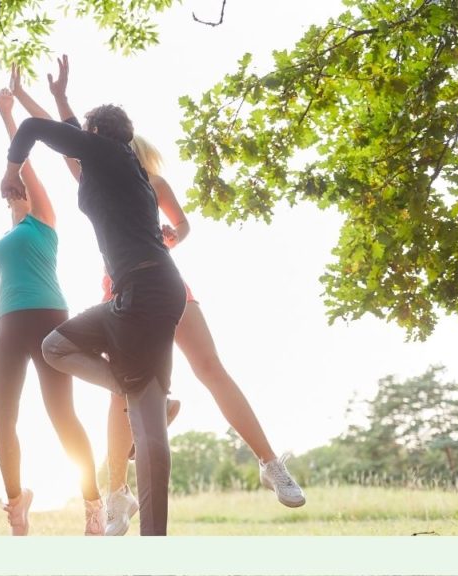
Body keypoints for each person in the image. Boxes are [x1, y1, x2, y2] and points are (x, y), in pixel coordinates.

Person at [1, 55, 186, 536]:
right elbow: (68, 139)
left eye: (86, 129)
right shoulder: (114, 165)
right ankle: (137, 392)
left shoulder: (107, 156)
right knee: (65, 354)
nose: (81, 136)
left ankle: (137, 393)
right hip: (147, 289)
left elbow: (35, 130)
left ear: (97, 134)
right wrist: (63, 96)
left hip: (144, 289)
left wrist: (11, 171)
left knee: (139, 424)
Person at [102, 135, 306, 536]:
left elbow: (183, 224)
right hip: (121, 290)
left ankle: (270, 463)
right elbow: (64, 140)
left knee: (211, 367)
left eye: (126, 149)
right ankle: (117, 493)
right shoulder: (99, 188)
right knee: (118, 391)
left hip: (166, 282)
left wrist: (172, 236)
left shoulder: (153, 185)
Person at [0, 84, 104, 535]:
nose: (18, 192)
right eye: (12, 191)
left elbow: (27, 160)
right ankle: (17, 506)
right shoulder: (4, 238)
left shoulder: (45, 224)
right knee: (2, 415)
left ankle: (93, 505)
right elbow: (8, 287)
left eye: (23, 189)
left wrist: (7, 112)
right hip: (9, 325)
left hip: (51, 320)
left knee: (62, 415)